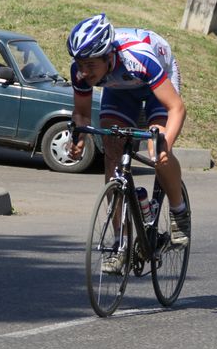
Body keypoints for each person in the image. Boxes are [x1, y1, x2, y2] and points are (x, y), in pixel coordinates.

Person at [66, 14, 190, 271]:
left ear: (108, 56)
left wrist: (166, 142)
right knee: (112, 150)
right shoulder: (82, 72)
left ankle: (179, 211)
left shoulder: (139, 57)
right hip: (120, 90)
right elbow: (81, 114)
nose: (84, 71)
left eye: (90, 65)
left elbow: (177, 107)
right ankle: (120, 243)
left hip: (158, 79)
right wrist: (78, 138)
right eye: (80, 64)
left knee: (157, 149)